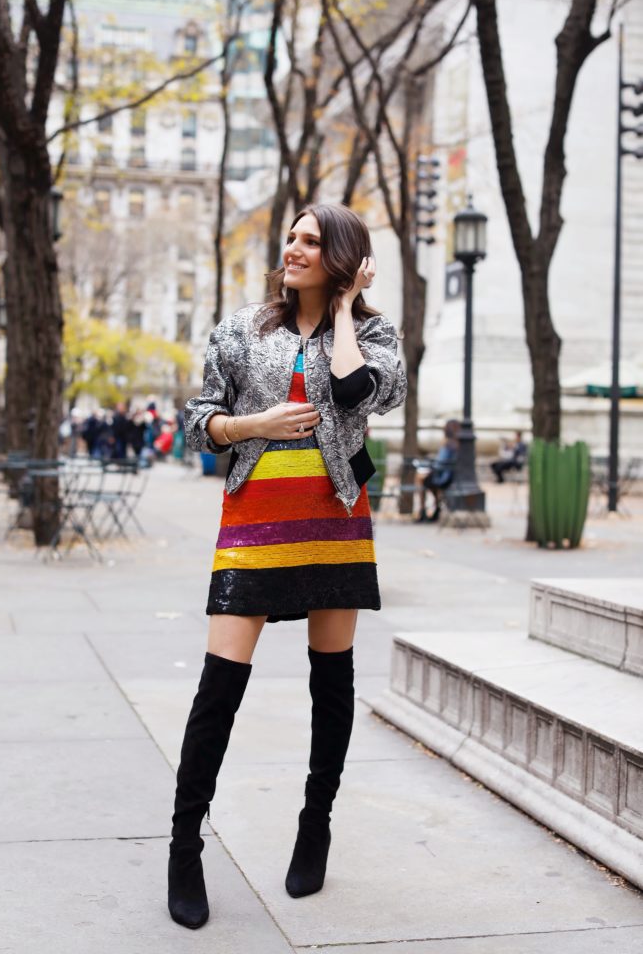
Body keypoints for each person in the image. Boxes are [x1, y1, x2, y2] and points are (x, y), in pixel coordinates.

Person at [169, 203, 407, 930]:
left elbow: (359, 394)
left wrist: (339, 311)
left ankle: (315, 826)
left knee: (331, 684)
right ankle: (183, 847)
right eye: (292, 238)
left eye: (311, 241)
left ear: (342, 257)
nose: (294, 248)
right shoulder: (241, 329)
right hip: (253, 523)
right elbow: (197, 420)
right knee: (219, 689)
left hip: (334, 521)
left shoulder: (372, 333)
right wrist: (255, 425)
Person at [415, 420, 459, 522]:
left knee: (420, 478)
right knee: (426, 480)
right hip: (452, 477)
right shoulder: (459, 444)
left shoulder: (448, 444)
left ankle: (423, 511)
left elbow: (440, 464)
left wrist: (430, 466)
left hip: (444, 478)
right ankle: (436, 508)